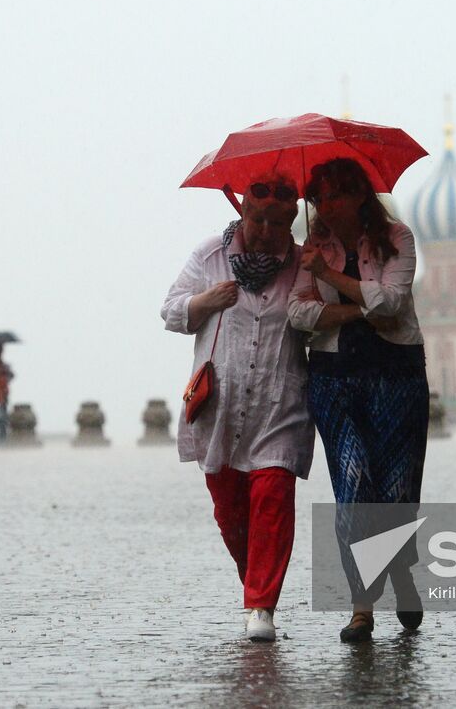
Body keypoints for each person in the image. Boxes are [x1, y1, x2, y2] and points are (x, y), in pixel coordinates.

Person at [161, 175, 312, 644]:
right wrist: (207, 300)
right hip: (220, 409)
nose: (265, 230)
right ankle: (257, 581)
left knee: (272, 498)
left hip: (278, 405)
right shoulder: (211, 256)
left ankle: (261, 606)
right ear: (242, 213)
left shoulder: (303, 264)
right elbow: (170, 311)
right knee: (230, 514)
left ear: (291, 222)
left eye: (277, 222)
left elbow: (313, 317)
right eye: (257, 219)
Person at [287, 156, 429, 643]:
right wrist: (355, 310)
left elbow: (392, 304)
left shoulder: (397, 239)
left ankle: (402, 572)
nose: (326, 205)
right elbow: (299, 314)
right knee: (352, 486)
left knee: (393, 494)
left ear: (359, 196)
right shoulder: (311, 249)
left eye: (336, 194)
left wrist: (332, 278)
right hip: (334, 381)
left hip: (396, 379)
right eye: (319, 196)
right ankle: (362, 607)